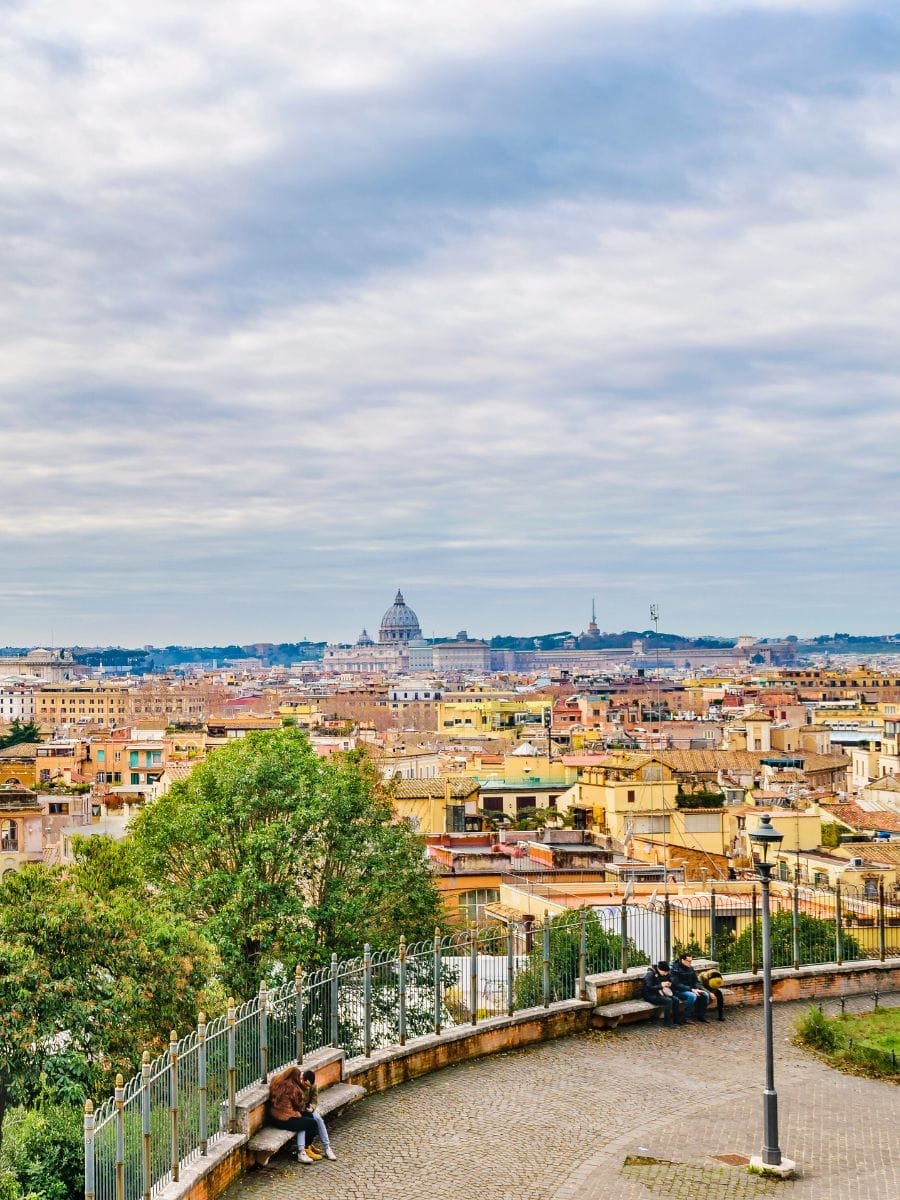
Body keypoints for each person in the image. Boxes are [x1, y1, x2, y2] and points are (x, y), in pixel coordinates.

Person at [267, 1065, 320, 1164]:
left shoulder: (277, 1080)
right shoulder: (293, 1088)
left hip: (273, 1117)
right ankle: (303, 1151)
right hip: (285, 1120)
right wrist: (308, 1107)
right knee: (312, 1123)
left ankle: (306, 1147)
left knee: (308, 1117)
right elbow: (300, 1106)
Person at [302, 1069, 338, 1160]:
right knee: (310, 1122)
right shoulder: (298, 1083)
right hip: (299, 1110)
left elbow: (314, 1100)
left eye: (308, 1086)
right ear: (303, 1079)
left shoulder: (312, 1084)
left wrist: (312, 1108)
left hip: (308, 1108)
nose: (307, 1087)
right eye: (306, 1085)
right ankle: (306, 1146)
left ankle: (327, 1148)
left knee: (318, 1119)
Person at [641, 960, 685, 1026]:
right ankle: (667, 1022)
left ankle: (676, 1020)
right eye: (664, 972)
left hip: (661, 993)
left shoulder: (665, 973)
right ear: (659, 969)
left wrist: (669, 984)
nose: (665, 974)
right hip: (650, 994)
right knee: (668, 1001)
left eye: (666, 972)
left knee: (675, 999)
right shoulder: (650, 974)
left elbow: (672, 981)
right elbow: (649, 987)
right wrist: (661, 985)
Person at [669, 952, 710, 1023]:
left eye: (691, 961)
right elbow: (677, 984)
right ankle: (686, 1017)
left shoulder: (690, 968)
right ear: (682, 960)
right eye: (689, 961)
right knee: (692, 996)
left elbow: (696, 981)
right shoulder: (674, 969)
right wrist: (691, 989)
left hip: (691, 989)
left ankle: (701, 1016)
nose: (690, 963)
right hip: (678, 991)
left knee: (705, 995)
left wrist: (696, 988)